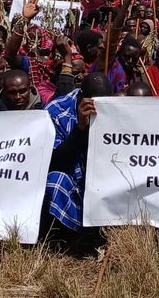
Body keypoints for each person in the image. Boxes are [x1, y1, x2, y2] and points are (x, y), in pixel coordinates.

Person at [44, 72, 113, 233]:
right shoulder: (56, 112)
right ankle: (66, 236)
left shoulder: (117, 108)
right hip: (74, 185)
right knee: (54, 181)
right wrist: (81, 128)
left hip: (105, 184)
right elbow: (54, 163)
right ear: (82, 97)